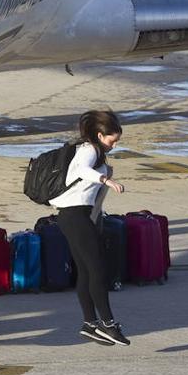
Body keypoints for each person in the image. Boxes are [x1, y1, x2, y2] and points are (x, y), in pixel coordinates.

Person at [50, 110, 130, 347]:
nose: (113, 145)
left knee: (86, 271)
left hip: (75, 216)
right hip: (74, 216)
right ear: (99, 135)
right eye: (111, 140)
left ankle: (90, 324)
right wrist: (106, 180)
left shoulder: (95, 152)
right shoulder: (89, 150)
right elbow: (83, 171)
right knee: (98, 269)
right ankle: (107, 324)